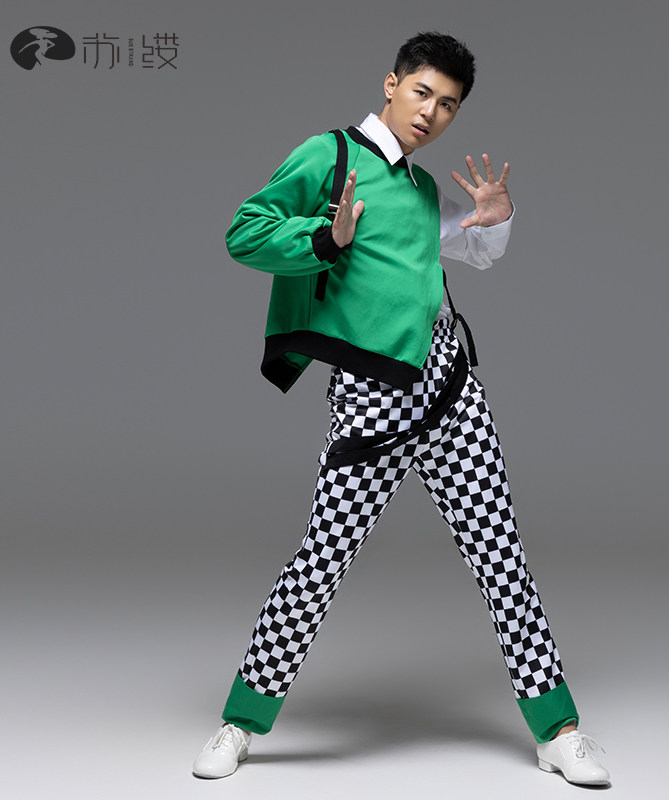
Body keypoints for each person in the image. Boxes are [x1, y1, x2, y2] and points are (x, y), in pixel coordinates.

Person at [192, 31, 610, 787]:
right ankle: (241, 722)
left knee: (501, 556)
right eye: (422, 93)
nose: (431, 113)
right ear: (391, 85)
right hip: (370, 397)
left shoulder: (420, 189)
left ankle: (559, 730)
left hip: (450, 390)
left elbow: (473, 251)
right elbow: (244, 232)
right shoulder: (329, 156)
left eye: (448, 104)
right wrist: (326, 236)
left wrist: (496, 217)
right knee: (321, 560)